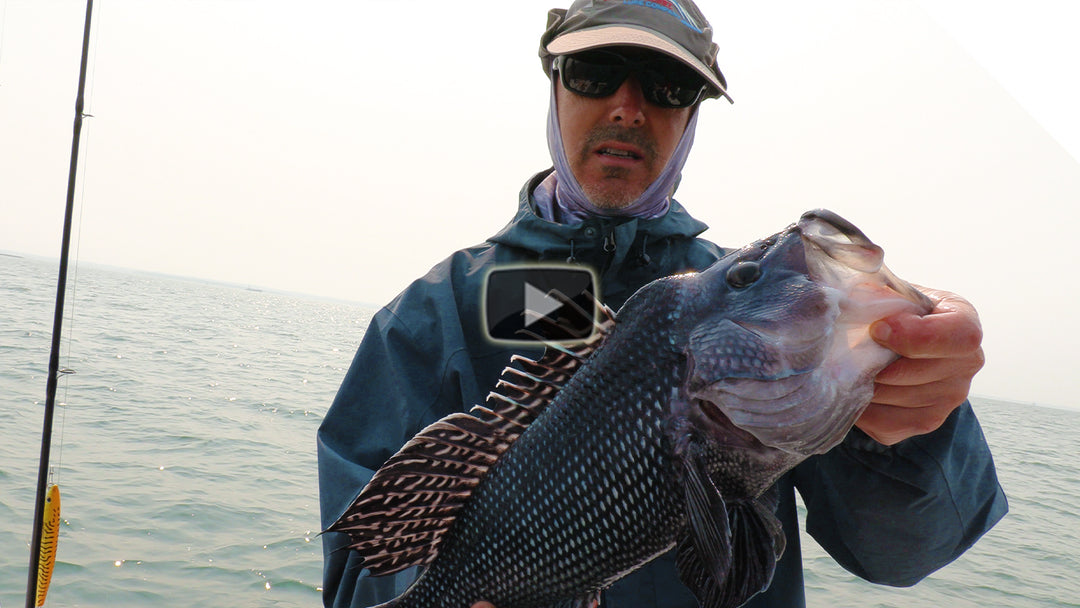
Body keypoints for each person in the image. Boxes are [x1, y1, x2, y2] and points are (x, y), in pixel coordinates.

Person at [317, 1, 1008, 607]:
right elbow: (359, 573)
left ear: (692, 118)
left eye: (667, 84)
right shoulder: (433, 317)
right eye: (595, 71)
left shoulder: (765, 312)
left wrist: (919, 421)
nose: (627, 105)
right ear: (553, 86)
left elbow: (903, 555)